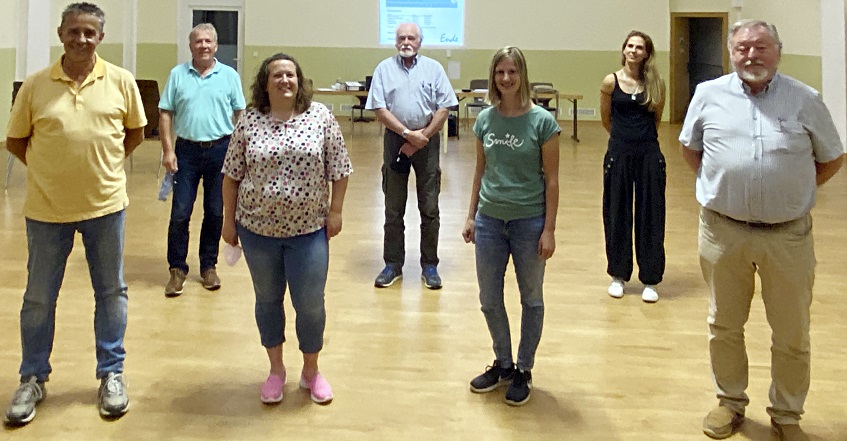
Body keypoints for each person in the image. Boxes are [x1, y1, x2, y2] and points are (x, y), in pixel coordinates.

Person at [679, 19, 844, 441]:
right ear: (731, 53)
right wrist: (727, 190)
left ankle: (787, 414)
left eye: (761, 47)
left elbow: (831, 158)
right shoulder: (707, 95)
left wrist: (790, 194)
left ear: (778, 51)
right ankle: (729, 403)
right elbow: (691, 150)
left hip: (788, 236)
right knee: (724, 324)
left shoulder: (805, 99)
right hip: (722, 232)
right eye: (742, 48)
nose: (751, 55)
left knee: (791, 331)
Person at [3, 2, 146, 424]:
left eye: (89, 32)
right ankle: (32, 378)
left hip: (105, 207)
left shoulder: (120, 81)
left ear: (100, 37)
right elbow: (15, 140)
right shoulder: (35, 85)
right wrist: (52, 171)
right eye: (73, 31)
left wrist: (97, 167)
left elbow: (135, 134)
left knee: (111, 293)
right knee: (38, 299)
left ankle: (111, 374)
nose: (81, 39)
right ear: (60, 33)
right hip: (46, 211)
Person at [221, 53, 352, 405]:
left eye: (290, 74)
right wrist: (227, 221)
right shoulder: (249, 121)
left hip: (308, 231)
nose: (284, 80)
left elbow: (340, 169)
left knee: (310, 304)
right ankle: (276, 370)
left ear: (299, 80)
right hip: (257, 231)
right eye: (277, 75)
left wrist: (335, 211)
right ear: (265, 83)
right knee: (267, 300)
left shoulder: (320, 117)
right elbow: (231, 176)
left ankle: (311, 370)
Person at [462, 46, 560, 406]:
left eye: (512, 72)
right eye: (500, 72)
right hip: (489, 220)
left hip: (528, 222)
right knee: (489, 299)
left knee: (531, 299)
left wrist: (548, 229)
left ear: (522, 75)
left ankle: (524, 368)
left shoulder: (542, 122)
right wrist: (471, 215)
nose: (506, 78)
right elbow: (479, 170)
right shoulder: (485, 119)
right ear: (493, 77)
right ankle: (503, 364)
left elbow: (552, 180)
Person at [365, 22, 458, 290]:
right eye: (401, 38)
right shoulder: (384, 69)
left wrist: (422, 137)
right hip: (395, 140)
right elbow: (380, 109)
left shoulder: (434, 69)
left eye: (412, 38)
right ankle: (393, 265)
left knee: (429, 207)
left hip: (427, 141)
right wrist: (407, 134)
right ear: (395, 42)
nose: (406, 41)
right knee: (393, 207)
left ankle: (430, 265)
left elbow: (444, 108)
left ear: (420, 41)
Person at [159, 23, 246, 297]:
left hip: (221, 152)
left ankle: (209, 266)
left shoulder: (229, 76)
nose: (204, 46)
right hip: (186, 151)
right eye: (198, 41)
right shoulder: (177, 75)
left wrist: (239, 152)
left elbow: (240, 113)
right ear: (191, 46)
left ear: (216, 46)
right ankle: (177, 269)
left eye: (208, 41)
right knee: (180, 212)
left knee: (216, 212)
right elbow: (165, 113)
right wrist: (167, 150)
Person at [599, 30, 666, 303]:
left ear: (647, 53)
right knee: (617, 213)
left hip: (649, 154)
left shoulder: (656, 83)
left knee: (651, 215)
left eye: (639, 47)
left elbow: (657, 119)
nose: (634, 51)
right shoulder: (610, 81)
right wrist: (623, 140)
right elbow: (606, 119)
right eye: (630, 46)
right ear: (623, 49)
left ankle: (650, 279)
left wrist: (641, 140)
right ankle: (618, 275)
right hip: (619, 154)